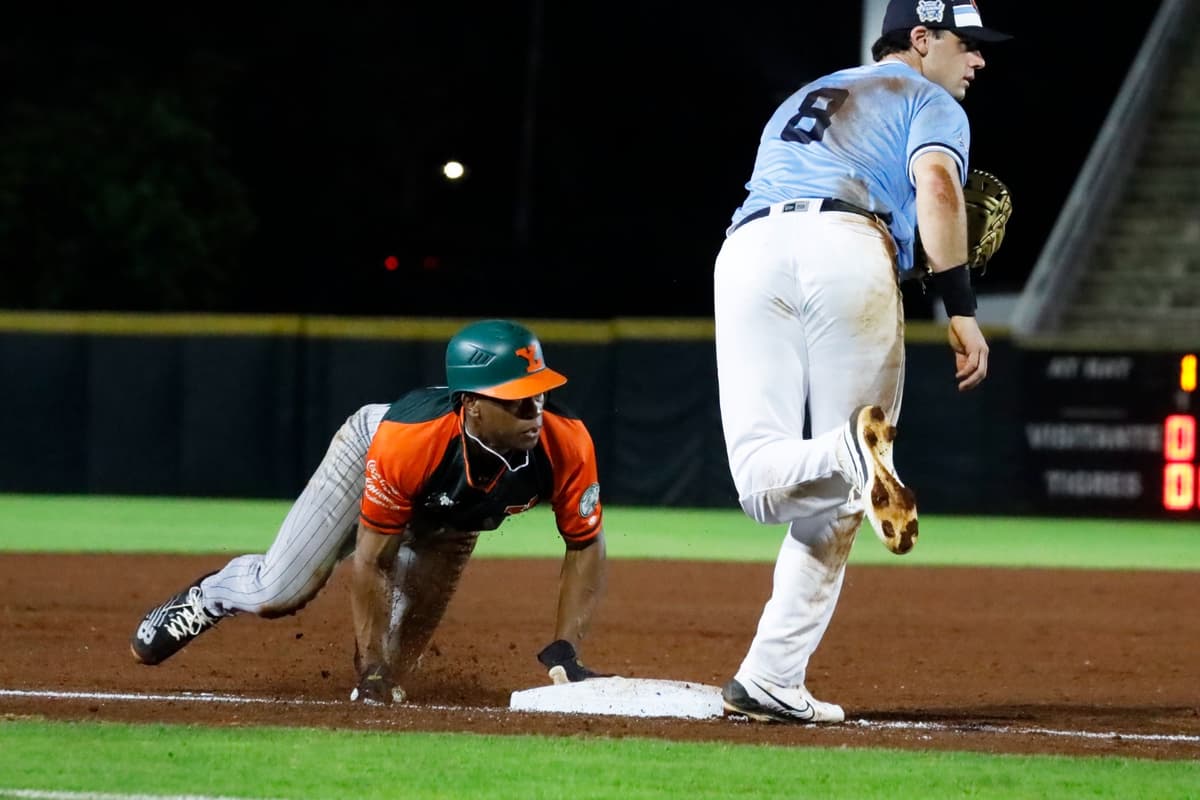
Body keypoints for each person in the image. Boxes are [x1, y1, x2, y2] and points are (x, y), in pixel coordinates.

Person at [713, 0, 1010, 723]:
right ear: (920, 38)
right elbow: (938, 188)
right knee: (846, 491)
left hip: (747, 250)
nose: (977, 60)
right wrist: (961, 307)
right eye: (965, 44)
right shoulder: (924, 96)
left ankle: (770, 681)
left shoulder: (800, 98)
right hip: (847, 243)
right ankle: (852, 450)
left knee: (761, 479)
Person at [130, 319, 610, 704]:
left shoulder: (566, 442)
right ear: (472, 405)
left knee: (394, 672)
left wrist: (567, 645)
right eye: (516, 397)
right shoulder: (410, 439)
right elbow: (373, 558)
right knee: (279, 590)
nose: (534, 408)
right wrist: (371, 664)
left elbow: (585, 544)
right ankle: (209, 596)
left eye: (539, 391)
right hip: (371, 455)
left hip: (454, 519)